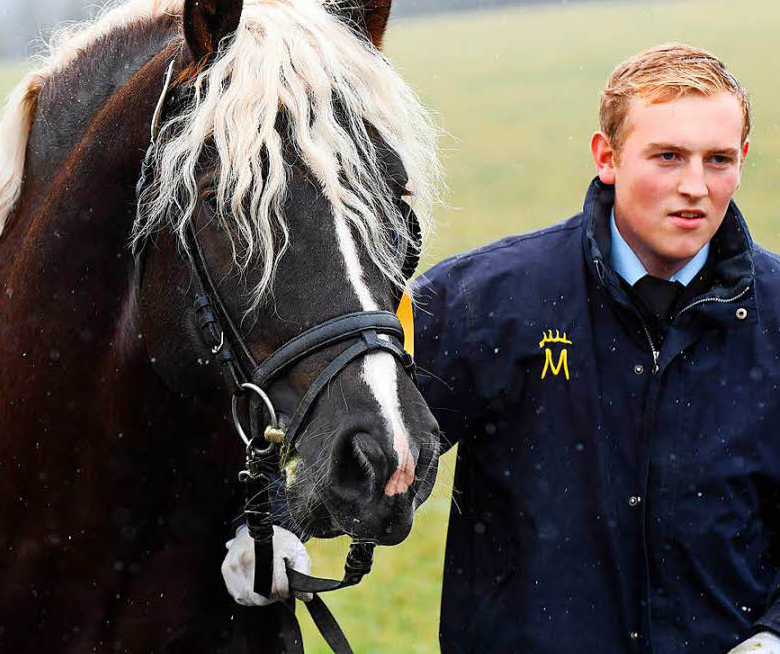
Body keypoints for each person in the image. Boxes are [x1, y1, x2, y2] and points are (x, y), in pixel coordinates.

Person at [222, 44, 780, 654]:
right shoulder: (483, 302)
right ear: (607, 157)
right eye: (667, 156)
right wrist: (268, 517)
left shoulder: (776, 317)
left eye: (719, 159)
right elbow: (335, 413)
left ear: (744, 158)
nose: (695, 186)